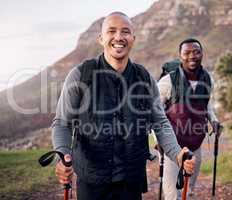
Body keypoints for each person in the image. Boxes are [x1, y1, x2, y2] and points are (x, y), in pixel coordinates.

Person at [52, 12, 195, 200]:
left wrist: (177, 154)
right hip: (92, 184)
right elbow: (62, 123)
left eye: (125, 32)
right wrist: (63, 154)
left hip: (131, 182)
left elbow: (159, 122)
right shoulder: (80, 75)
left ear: (133, 39)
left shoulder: (144, 79)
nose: (119, 37)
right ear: (101, 38)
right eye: (112, 31)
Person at [157, 38, 221, 199]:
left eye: (196, 52)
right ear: (180, 56)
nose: (192, 56)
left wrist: (213, 120)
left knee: (188, 188)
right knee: (172, 194)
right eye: (187, 53)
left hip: (195, 143)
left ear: (202, 54)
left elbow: (207, 105)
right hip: (172, 144)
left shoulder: (208, 80)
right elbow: (154, 113)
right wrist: (158, 140)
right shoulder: (168, 81)